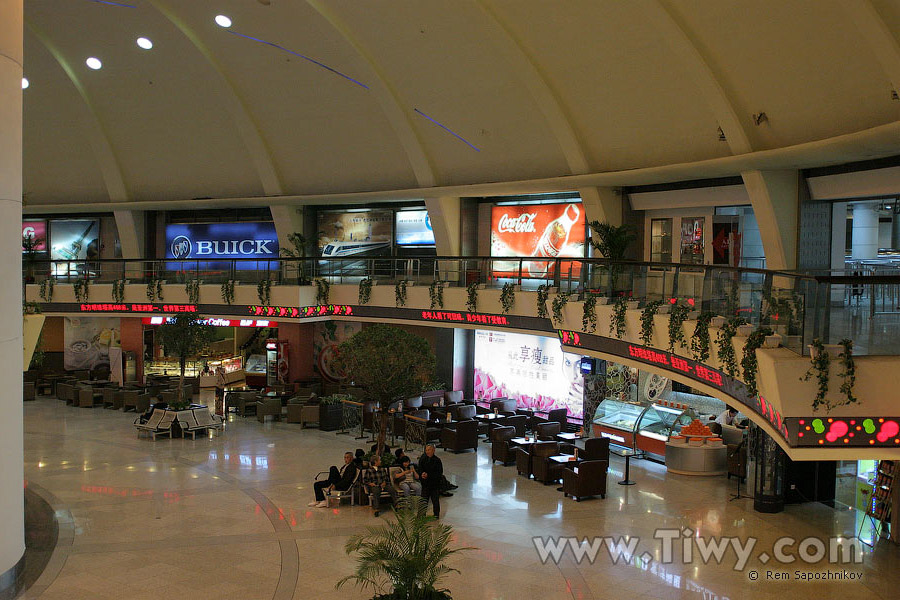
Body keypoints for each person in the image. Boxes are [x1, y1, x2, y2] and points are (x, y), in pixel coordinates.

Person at [418, 444, 444, 518]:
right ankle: (421, 516)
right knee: (423, 501)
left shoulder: (437, 461)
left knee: (435, 501)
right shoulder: (422, 459)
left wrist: (428, 475)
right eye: (426, 450)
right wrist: (422, 474)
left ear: (433, 450)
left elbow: (439, 473)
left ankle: (436, 515)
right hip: (425, 484)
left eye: (429, 450)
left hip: (434, 484)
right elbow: (420, 469)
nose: (427, 452)